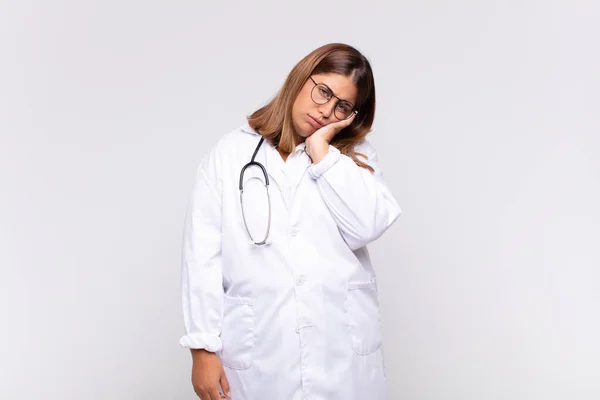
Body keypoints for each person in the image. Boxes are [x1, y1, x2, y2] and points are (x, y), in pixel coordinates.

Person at [180, 43, 401, 400]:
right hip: (261, 354)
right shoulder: (230, 154)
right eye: (323, 92)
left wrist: (322, 154)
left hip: (340, 359)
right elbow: (202, 255)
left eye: (341, 106)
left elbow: (368, 227)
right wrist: (202, 348)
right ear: (301, 78)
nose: (326, 110)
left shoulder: (353, 159)